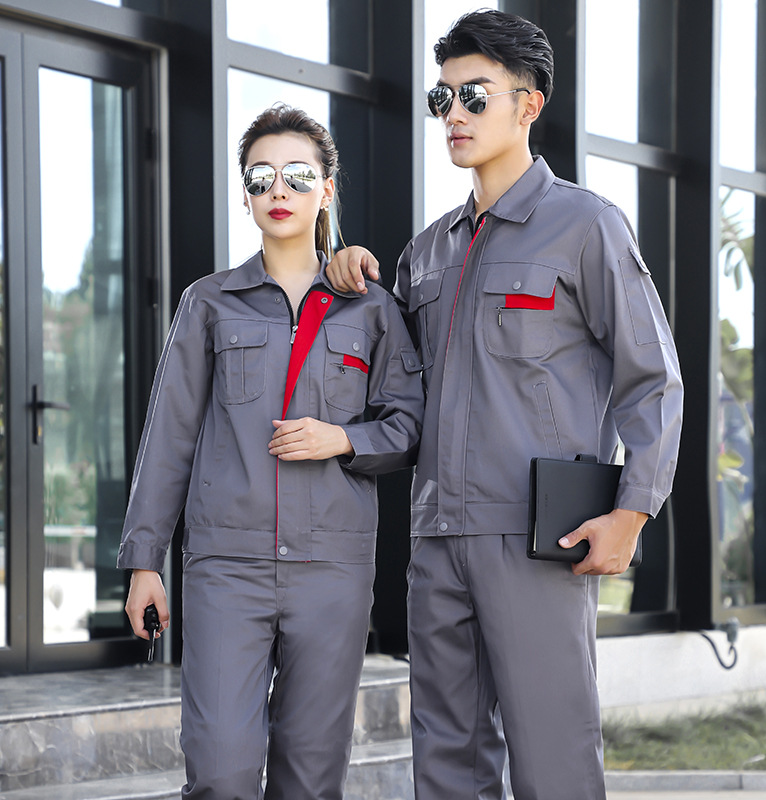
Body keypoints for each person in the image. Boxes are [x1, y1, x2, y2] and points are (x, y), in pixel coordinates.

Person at [327, 9, 683, 800]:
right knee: (446, 761)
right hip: (436, 536)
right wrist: (348, 281)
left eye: (474, 96)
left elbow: (653, 379)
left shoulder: (585, 227)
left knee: (553, 756)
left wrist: (632, 512)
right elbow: (396, 391)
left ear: (529, 105)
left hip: (538, 538)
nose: (453, 114)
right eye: (442, 98)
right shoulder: (427, 251)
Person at [117, 104, 424, 800]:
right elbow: (168, 436)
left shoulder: (370, 308)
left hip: (333, 571)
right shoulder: (208, 304)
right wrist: (144, 561)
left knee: (310, 778)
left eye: (297, 175)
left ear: (327, 189)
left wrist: (343, 438)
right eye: (261, 178)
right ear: (246, 194)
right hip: (226, 568)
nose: (277, 190)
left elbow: (409, 425)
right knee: (220, 771)